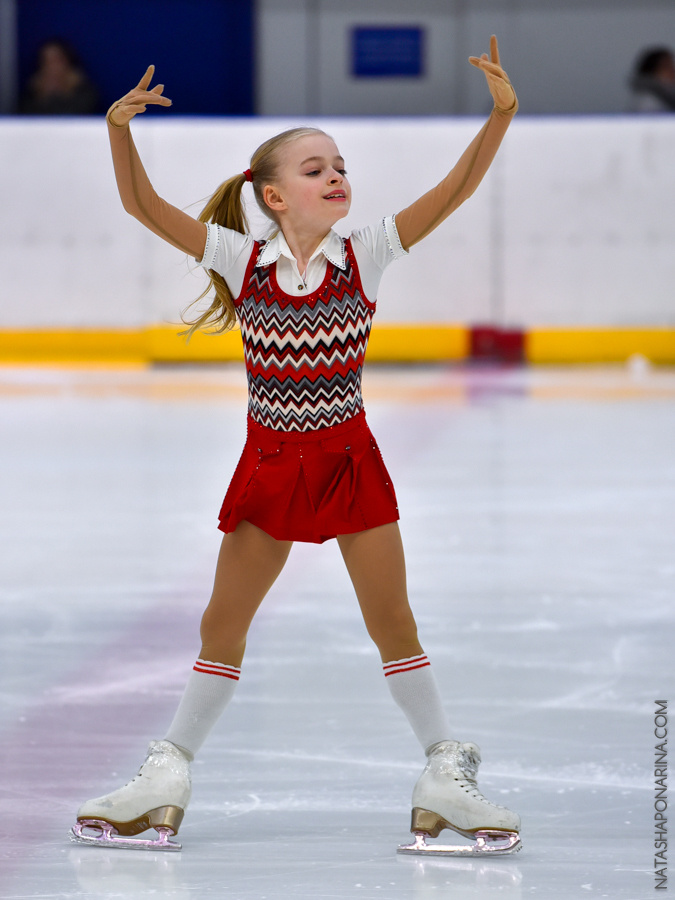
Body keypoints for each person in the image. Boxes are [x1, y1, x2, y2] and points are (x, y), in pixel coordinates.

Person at [71, 36, 521, 856]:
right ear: (274, 196)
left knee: (392, 621)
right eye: (316, 169)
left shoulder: (365, 253)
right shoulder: (240, 260)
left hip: (348, 462)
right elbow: (141, 206)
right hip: (272, 465)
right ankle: (167, 774)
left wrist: (498, 118)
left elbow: (454, 190)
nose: (336, 175)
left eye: (340, 165)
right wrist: (117, 129)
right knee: (221, 625)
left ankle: (441, 774)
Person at [20, 38, 100, 115]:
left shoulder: (84, 92)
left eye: (57, 60)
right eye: (47, 62)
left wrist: (64, 93)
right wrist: (43, 97)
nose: (52, 67)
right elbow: (25, 117)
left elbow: (81, 114)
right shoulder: (31, 93)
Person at [629, 46, 675, 113]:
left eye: (672, 65)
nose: (672, 70)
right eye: (666, 66)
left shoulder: (667, 96)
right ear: (651, 72)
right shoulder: (647, 102)